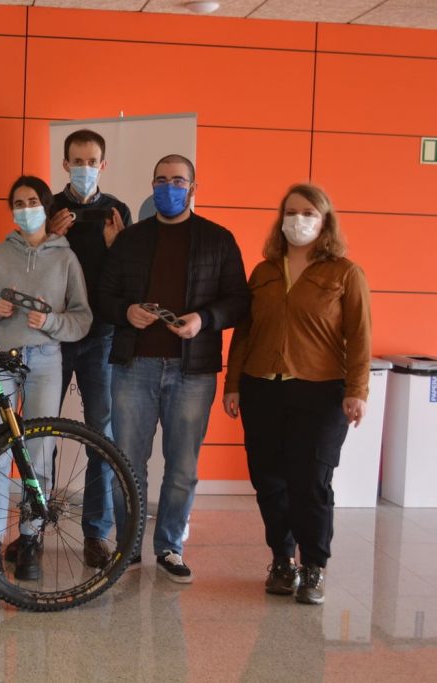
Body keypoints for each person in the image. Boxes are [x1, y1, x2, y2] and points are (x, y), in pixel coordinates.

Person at [96, 154, 249, 584]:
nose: (169, 187)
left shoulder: (219, 240)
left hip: (193, 371)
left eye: (178, 181)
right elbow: (103, 297)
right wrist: (126, 311)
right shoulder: (131, 240)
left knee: (182, 467)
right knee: (127, 463)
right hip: (134, 366)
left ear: (193, 188)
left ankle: (170, 547)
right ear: (152, 185)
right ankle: (127, 547)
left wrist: (205, 319)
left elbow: (239, 300)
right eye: (161, 180)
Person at [222, 183, 370, 605]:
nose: (298, 220)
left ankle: (314, 566)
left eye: (308, 212)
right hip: (261, 387)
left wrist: (357, 391)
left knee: (311, 482)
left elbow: (360, 338)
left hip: (322, 392)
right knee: (268, 479)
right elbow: (245, 332)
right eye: (291, 212)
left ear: (325, 221)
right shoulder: (264, 271)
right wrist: (233, 383)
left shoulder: (345, 273)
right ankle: (283, 561)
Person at [0, 175, 92, 579]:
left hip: (45, 359)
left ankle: (29, 539)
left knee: (39, 448)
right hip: (1, 359)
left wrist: (53, 321)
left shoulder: (66, 258)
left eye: (32, 201)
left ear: (45, 206)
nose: (25, 209)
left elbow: (82, 317)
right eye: (18, 203)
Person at [46, 129, 133, 569]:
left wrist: (118, 248)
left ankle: (96, 534)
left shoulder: (117, 211)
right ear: (64, 165)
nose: (84, 167)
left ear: (103, 164)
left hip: (101, 338)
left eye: (92, 159)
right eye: (76, 160)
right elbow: (33, 268)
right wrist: (47, 237)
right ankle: (33, 526)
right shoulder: (47, 208)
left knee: (101, 435)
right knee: (41, 435)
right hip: (53, 337)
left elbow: (129, 276)